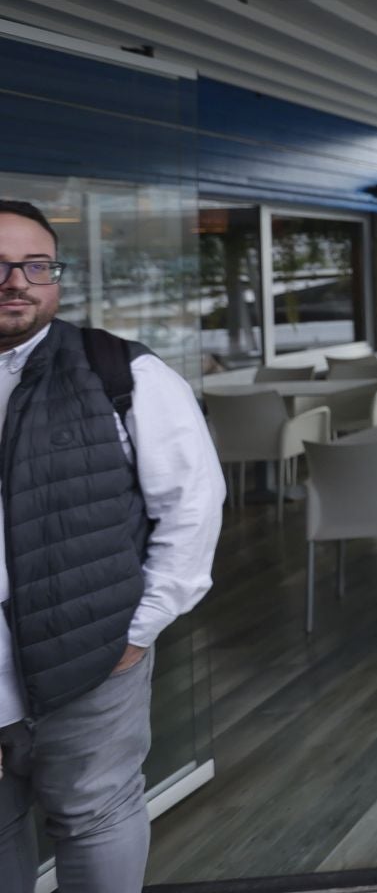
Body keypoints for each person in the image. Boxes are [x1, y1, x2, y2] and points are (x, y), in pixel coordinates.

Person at [0, 199, 225, 892]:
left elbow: (193, 507)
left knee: (95, 816)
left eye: (36, 265)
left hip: (92, 654)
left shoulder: (121, 374)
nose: (17, 280)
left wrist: (139, 628)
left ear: (56, 279)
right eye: (0, 265)